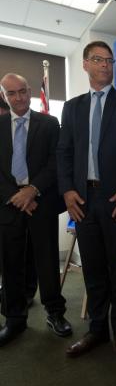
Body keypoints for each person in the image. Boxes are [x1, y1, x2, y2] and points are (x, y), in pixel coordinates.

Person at [57, 41, 116, 358]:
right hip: (82, 200)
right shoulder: (72, 107)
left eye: (110, 60)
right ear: (85, 64)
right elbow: (64, 152)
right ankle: (97, 331)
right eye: (98, 60)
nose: (105, 65)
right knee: (94, 269)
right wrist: (67, 190)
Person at [0, 74, 72, 346]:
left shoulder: (49, 123)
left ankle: (55, 313)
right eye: (11, 93)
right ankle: (14, 319)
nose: (18, 98)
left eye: (22, 91)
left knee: (47, 260)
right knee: (11, 263)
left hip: (40, 202)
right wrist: (15, 196)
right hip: (8, 206)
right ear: (4, 96)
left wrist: (32, 190)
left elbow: (56, 161)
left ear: (30, 91)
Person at [0, 96, 38, 307]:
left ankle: (28, 293)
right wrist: (16, 196)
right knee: (8, 259)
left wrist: (30, 193)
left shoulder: (40, 124)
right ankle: (10, 303)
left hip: (34, 199)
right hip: (6, 201)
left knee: (30, 253)